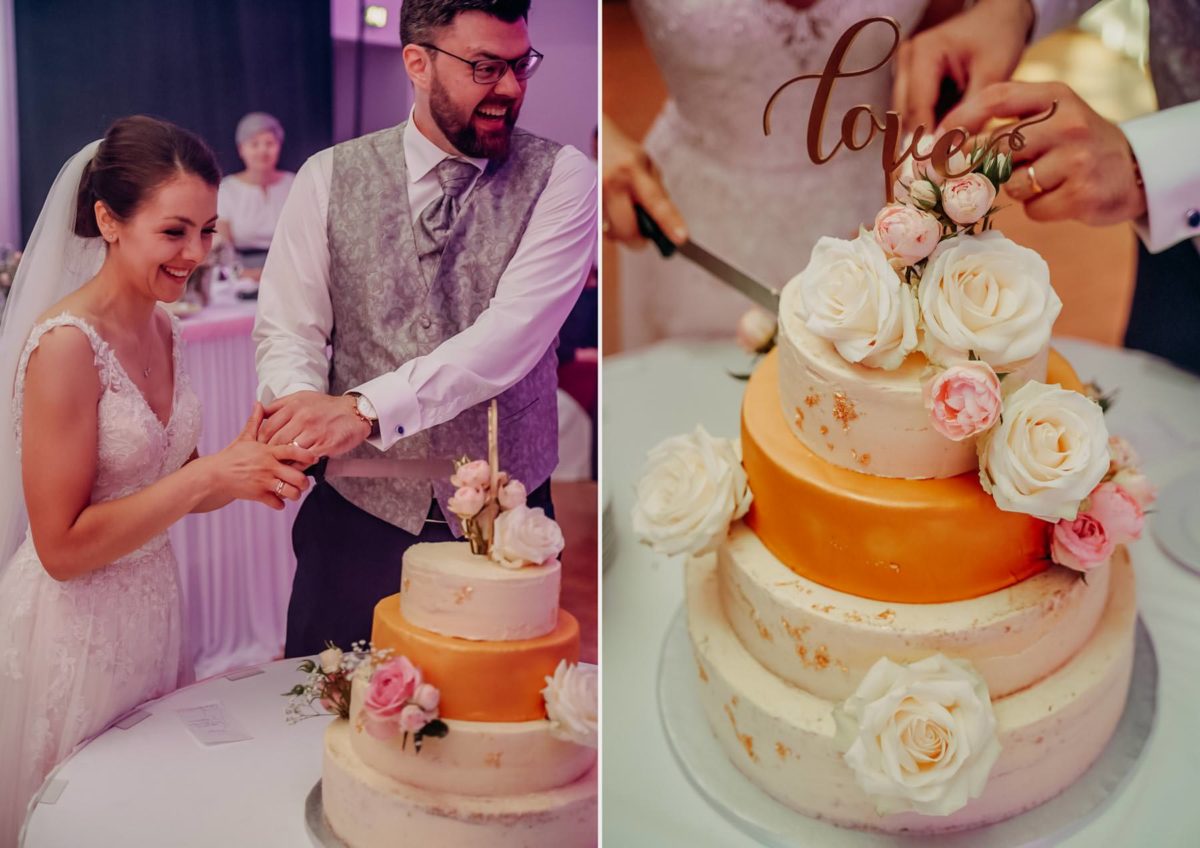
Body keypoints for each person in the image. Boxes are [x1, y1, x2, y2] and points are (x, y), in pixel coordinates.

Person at [0, 116, 315, 844]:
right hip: (73, 635)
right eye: (175, 232)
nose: (197, 254)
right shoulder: (65, 349)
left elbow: (160, 481)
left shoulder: (167, 327)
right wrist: (205, 480)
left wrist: (237, 468)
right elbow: (61, 547)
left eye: (207, 231)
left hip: (154, 615)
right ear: (109, 220)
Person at [252, 0, 596, 657]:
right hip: (356, 515)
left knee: (484, 735)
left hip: (505, 518)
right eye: (486, 67)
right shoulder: (326, 178)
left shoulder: (564, 179)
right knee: (320, 718)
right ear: (417, 63)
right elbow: (288, 328)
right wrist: (299, 410)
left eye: (521, 65)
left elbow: (512, 334)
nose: (510, 88)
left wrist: (363, 408)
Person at [604, 0, 937, 349]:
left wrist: (995, 15)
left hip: (875, 209)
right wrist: (600, 132)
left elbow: (938, 41)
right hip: (695, 220)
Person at [893, 0, 1200, 373]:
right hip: (1179, 240)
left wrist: (1156, 161)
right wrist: (1018, 8)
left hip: (1170, 192)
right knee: (1169, 385)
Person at [215, 112, 295, 280]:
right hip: (242, 275)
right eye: (254, 144)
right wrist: (244, 273)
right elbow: (222, 245)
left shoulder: (294, 183)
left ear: (279, 146)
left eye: (269, 143)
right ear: (241, 149)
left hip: (290, 271)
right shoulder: (227, 189)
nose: (262, 151)